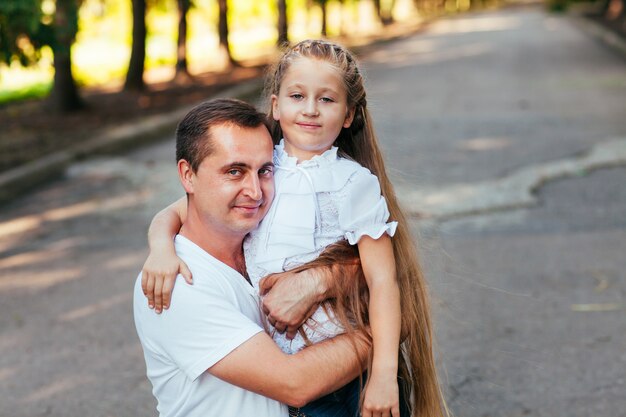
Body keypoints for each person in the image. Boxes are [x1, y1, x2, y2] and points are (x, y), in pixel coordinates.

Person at [143, 40, 447, 417]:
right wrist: (161, 247)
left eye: (327, 100)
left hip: (344, 374)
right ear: (276, 105)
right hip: (294, 373)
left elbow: (384, 279)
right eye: (298, 95)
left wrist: (383, 372)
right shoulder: (266, 165)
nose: (310, 110)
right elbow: (181, 208)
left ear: (349, 114)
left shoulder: (353, 183)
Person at [133, 98, 371, 417]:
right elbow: (294, 384)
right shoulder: (177, 285)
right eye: (235, 171)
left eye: (265, 171)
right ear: (187, 175)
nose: (255, 192)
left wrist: (320, 280)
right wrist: (385, 332)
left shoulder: (261, 234)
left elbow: (367, 260)